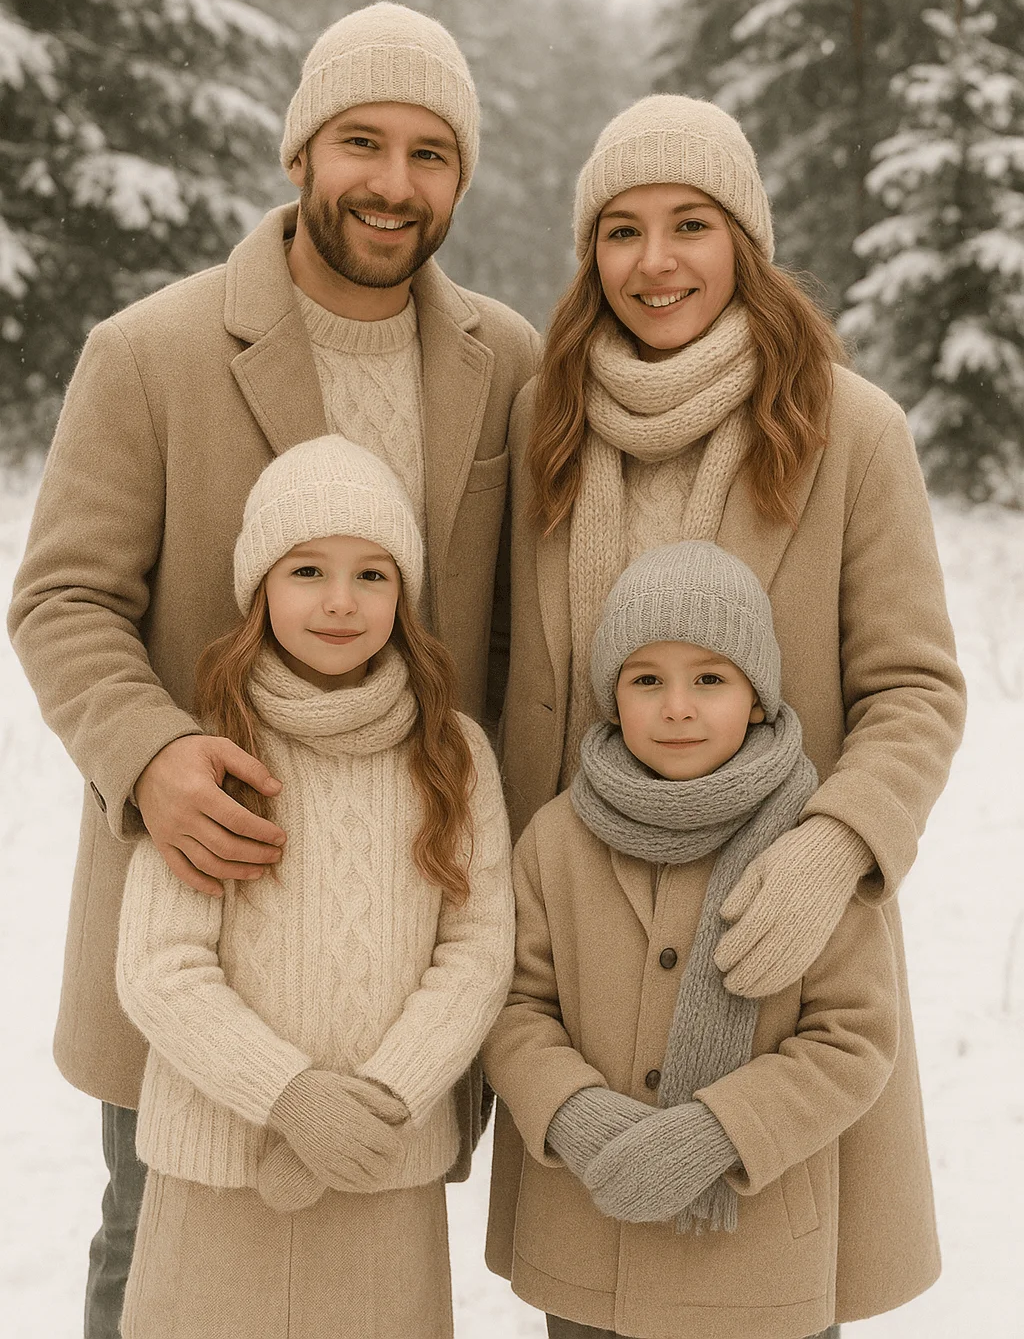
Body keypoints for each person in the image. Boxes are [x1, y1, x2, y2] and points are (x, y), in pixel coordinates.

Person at [7, 1, 538, 1339]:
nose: (394, 183)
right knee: (156, 1245)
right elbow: (63, 597)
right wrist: (150, 751)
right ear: (300, 152)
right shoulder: (151, 353)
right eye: (363, 141)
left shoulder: (510, 365)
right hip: (201, 903)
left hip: (400, 940)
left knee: (376, 1270)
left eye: (432, 154)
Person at [492, 96, 966, 1323]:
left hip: (775, 960)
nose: (655, 263)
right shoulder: (543, 424)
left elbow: (913, 686)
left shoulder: (851, 434)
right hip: (586, 960)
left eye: (690, 225)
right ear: (588, 256)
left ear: (744, 242)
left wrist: (837, 847)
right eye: (621, 231)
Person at [116, 434, 514, 1339]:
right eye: (307, 572)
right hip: (218, 1175)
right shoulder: (210, 753)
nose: (340, 603)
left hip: (384, 1169)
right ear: (260, 588)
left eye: (372, 576)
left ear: (404, 595)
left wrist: (384, 1101)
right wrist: (288, 1095)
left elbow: (478, 951)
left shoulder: (453, 756)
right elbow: (159, 968)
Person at [484, 540, 895, 1338]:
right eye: (647, 680)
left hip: (758, 1260)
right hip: (587, 1242)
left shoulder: (808, 852)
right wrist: (572, 1112)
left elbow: (854, 1037)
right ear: (612, 698)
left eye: (710, 678)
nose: (678, 706)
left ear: (757, 696)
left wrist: (719, 1130)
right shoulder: (556, 841)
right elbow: (510, 1003)